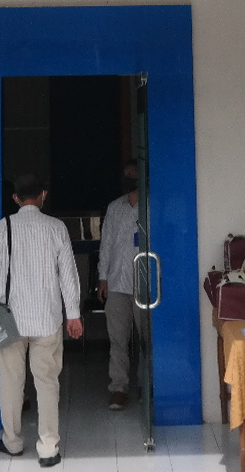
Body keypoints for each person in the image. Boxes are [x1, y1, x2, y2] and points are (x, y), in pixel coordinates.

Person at [0, 174, 83, 467]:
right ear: (43, 195)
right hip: (47, 318)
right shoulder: (56, 228)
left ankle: (12, 442)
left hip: (8, 319)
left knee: (10, 382)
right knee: (47, 382)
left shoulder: (3, 228)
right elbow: (68, 275)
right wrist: (73, 314)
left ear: (15, 198)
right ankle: (48, 448)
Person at [97, 160, 142, 410]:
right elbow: (106, 245)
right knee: (118, 340)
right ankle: (118, 388)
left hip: (145, 284)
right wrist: (102, 277)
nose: (128, 179)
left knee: (147, 340)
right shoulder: (115, 208)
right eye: (125, 175)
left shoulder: (152, 205)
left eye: (132, 175)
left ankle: (147, 385)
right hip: (116, 282)